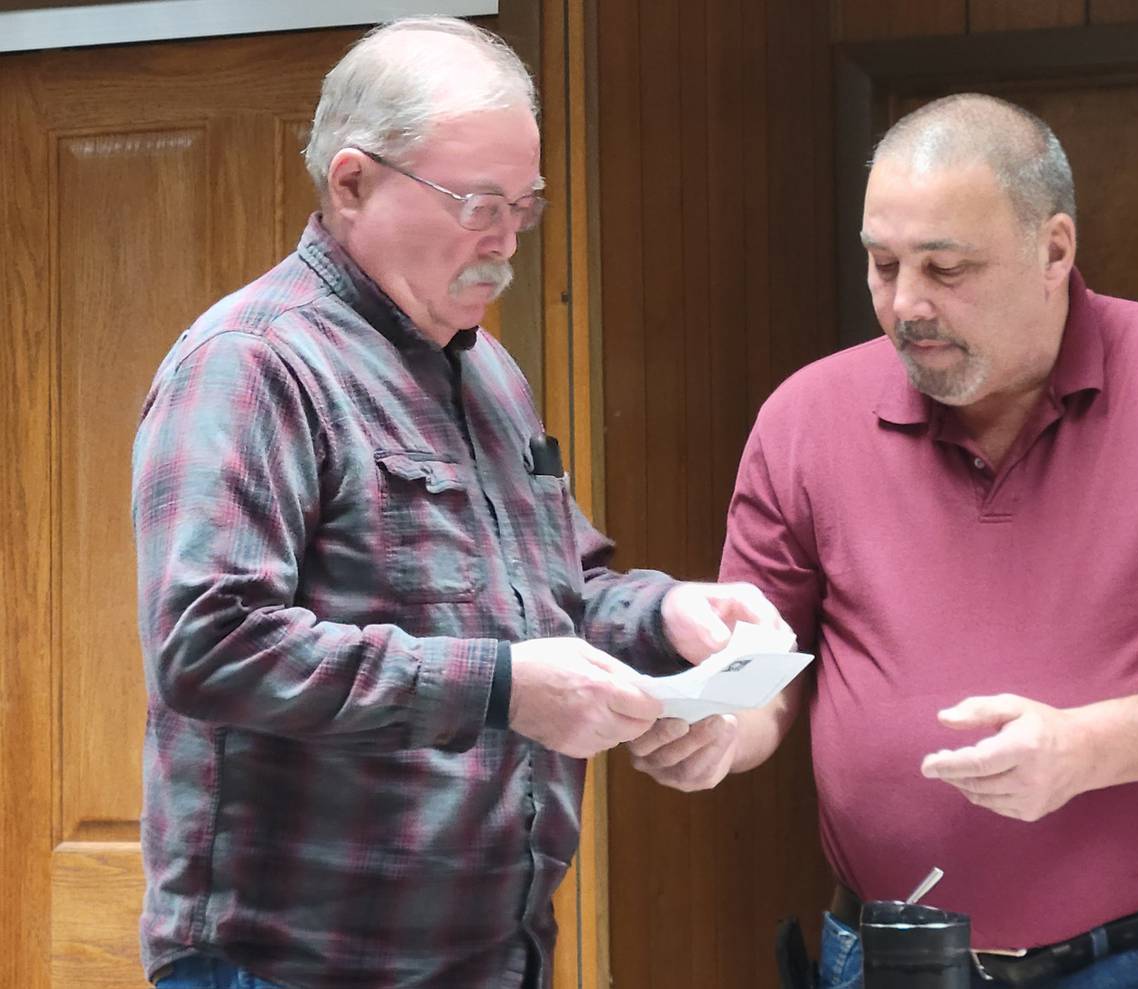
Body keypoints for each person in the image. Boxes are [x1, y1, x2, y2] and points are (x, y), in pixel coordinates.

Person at [628, 94, 1138, 988]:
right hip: (892, 955)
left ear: (1054, 249)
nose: (906, 304)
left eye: (947, 267)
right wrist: (719, 729)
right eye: (883, 263)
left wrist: (1088, 749)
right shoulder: (806, 416)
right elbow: (764, 666)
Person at [132, 17, 782, 989]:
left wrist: (666, 612)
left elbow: (561, 594)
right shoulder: (253, 362)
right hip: (292, 965)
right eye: (478, 202)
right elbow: (211, 643)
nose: (507, 239)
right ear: (351, 182)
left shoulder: (491, 376)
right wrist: (504, 686)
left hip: (491, 955)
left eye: (525, 206)